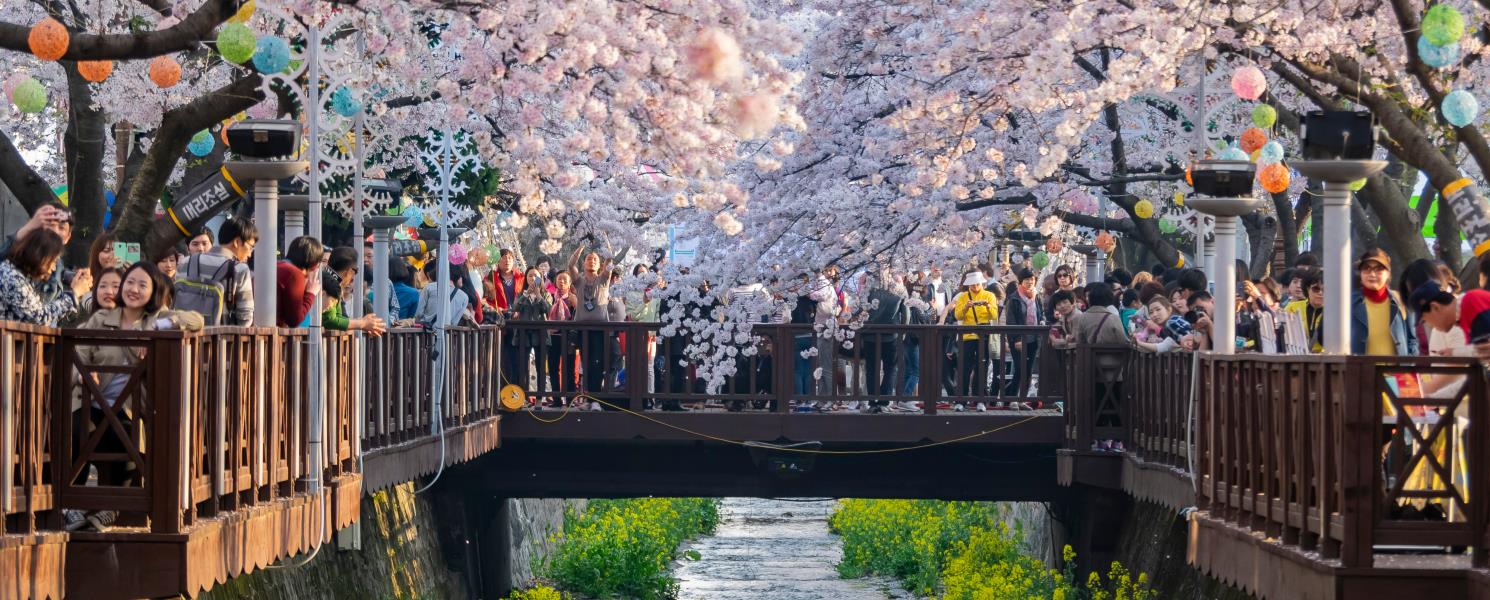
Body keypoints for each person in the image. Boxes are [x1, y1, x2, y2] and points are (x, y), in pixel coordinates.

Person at [69, 262, 202, 531]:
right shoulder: (101, 318)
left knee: (128, 439)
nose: (133, 289)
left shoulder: (156, 319)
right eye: (130, 282)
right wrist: (83, 373)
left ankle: (112, 508)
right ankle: (72, 504)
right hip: (90, 401)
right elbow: (78, 354)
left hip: (130, 408)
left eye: (143, 285)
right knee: (75, 430)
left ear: (153, 290)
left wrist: (160, 329)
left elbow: (196, 320)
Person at [0, 229, 90, 326]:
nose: (53, 267)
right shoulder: (12, 278)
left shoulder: (15, 274)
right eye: (53, 261)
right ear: (40, 257)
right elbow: (39, 317)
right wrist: (74, 294)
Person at [178, 217, 256, 326]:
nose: (250, 254)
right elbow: (245, 317)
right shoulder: (240, 269)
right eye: (251, 246)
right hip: (219, 340)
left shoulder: (184, 263)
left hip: (185, 338)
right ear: (237, 242)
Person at [1, 204, 76, 304]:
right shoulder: (21, 256)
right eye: (50, 225)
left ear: (67, 237)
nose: (54, 231)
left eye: (61, 228)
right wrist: (73, 294)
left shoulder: (58, 265)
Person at [1351, 247, 1417, 355]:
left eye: (1378, 269)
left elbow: (1413, 341)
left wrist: (1408, 369)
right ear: (1361, 274)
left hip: (1395, 370)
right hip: (1360, 370)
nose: (1372, 274)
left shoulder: (1401, 300)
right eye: (1366, 268)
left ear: (1388, 274)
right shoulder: (1347, 303)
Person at [861, 272, 908, 412]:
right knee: (890, 369)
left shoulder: (869, 288)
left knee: (871, 369)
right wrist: (903, 331)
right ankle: (884, 401)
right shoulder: (900, 289)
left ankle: (872, 402)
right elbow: (906, 313)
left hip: (870, 333)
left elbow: (859, 308)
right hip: (892, 334)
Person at [953, 270, 998, 406]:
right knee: (964, 367)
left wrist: (988, 306)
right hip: (967, 336)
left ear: (981, 283)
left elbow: (994, 315)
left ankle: (980, 399)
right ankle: (961, 399)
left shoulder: (989, 295)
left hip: (983, 336)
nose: (975, 287)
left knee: (982, 367)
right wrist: (966, 307)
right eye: (972, 285)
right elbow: (958, 316)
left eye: (977, 284)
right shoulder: (963, 297)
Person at [321, 248, 386, 335]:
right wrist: (362, 323)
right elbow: (330, 320)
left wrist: (360, 322)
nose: (353, 277)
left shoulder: (330, 279)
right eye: (356, 271)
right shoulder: (330, 283)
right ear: (349, 272)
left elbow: (339, 317)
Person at [513, 267, 554, 399]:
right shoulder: (521, 294)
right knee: (522, 366)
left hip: (540, 334)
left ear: (540, 279)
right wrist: (526, 295)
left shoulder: (546, 294)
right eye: (529, 276)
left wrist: (538, 295)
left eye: (535, 276)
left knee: (541, 367)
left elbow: (548, 309)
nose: (532, 278)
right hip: (523, 334)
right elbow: (515, 308)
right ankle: (522, 397)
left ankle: (539, 398)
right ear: (526, 278)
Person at [1003, 268, 1041, 399]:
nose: (1030, 282)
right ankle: (1013, 398)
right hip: (1018, 339)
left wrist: (1042, 323)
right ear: (1021, 282)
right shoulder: (1014, 298)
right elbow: (1011, 321)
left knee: (1028, 370)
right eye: (1026, 280)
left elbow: (1039, 314)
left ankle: (1022, 399)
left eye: (1032, 279)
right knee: (1019, 369)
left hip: (1033, 338)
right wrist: (1017, 338)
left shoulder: (1037, 295)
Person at [276, 236, 324, 328]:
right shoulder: (294, 274)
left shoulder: (279, 266)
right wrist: (310, 294)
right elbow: (294, 320)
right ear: (314, 264)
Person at [547, 270, 578, 403]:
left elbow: (577, 315)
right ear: (555, 282)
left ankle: (570, 398)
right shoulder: (550, 297)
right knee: (553, 368)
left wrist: (575, 303)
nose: (562, 281)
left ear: (570, 283)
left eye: (565, 279)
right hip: (553, 336)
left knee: (569, 369)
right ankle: (556, 399)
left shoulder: (573, 298)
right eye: (559, 279)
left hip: (568, 337)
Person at [414, 263, 472, 329]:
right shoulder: (464, 297)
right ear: (458, 276)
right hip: (446, 335)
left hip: (426, 333)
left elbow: (418, 313)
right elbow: (454, 322)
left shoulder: (429, 287)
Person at [1284, 268, 1326, 353]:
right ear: (1307, 289)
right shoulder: (1292, 308)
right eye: (1316, 289)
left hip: (1325, 360)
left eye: (1325, 289)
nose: (1320, 293)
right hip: (1297, 358)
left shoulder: (1335, 312)